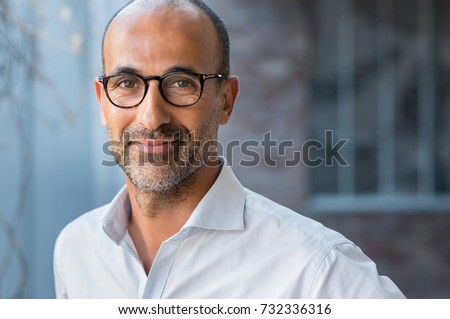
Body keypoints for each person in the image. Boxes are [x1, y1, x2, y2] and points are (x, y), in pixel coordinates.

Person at [53, 0, 405, 298]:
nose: (152, 116)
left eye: (180, 83)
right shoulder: (77, 249)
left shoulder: (317, 271)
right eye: (127, 83)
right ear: (102, 102)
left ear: (226, 100)